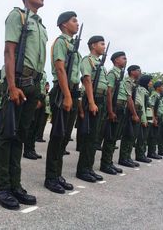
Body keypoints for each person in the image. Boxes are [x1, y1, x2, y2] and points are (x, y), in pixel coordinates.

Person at [0, 0, 47, 210]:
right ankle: (3, 187)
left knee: (20, 137)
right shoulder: (18, 16)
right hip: (18, 83)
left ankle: (15, 185)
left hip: (33, 85)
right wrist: (12, 86)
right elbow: (9, 51)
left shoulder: (40, 25)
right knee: (7, 136)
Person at [45, 11, 81, 193]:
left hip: (72, 92)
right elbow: (60, 69)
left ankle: (57, 175)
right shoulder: (61, 42)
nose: (77, 23)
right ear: (64, 24)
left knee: (65, 136)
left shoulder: (73, 46)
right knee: (58, 135)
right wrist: (67, 95)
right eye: (74, 20)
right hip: (62, 92)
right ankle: (50, 178)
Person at [76, 35, 108, 182]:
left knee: (95, 137)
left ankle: (89, 168)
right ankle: (82, 170)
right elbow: (87, 81)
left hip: (100, 101)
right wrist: (91, 102)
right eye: (102, 44)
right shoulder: (87, 60)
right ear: (93, 46)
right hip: (93, 100)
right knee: (89, 137)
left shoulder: (101, 64)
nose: (104, 46)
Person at [100, 51, 127, 175]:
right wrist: (110, 111)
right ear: (116, 60)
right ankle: (105, 164)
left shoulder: (121, 74)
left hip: (120, 108)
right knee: (110, 137)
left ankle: (109, 162)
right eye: (123, 58)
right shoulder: (112, 73)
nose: (125, 60)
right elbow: (109, 92)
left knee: (114, 137)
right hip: (114, 108)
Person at [118, 65, 141, 168]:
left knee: (132, 135)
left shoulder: (134, 83)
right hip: (128, 111)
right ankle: (123, 158)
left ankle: (127, 157)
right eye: (138, 70)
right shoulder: (127, 82)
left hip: (132, 111)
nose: (140, 72)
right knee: (127, 135)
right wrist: (134, 114)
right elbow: (129, 98)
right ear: (132, 72)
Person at [23, 71, 48, 159]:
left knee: (37, 125)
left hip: (42, 97)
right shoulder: (35, 72)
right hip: (36, 96)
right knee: (31, 126)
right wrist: (37, 99)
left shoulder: (43, 72)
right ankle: (27, 150)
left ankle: (32, 149)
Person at [135, 74, 153, 163]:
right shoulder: (141, 90)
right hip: (144, 117)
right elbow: (141, 105)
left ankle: (142, 154)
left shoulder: (146, 91)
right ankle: (140, 155)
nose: (151, 83)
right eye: (150, 81)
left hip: (148, 118)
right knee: (142, 138)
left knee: (144, 138)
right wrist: (143, 119)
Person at [146, 81, 163, 159]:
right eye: (162, 86)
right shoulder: (154, 95)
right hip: (155, 117)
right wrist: (154, 118)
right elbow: (152, 106)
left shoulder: (158, 95)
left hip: (158, 117)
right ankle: (151, 153)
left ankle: (153, 152)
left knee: (155, 135)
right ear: (158, 87)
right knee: (152, 136)